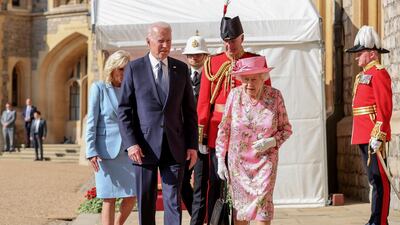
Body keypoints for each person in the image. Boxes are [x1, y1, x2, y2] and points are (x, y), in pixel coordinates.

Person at [117, 22, 198, 225]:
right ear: (148, 41)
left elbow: (189, 112)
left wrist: (192, 145)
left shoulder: (180, 69)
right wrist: (131, 143)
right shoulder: (134, 69)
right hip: (142, 148)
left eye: (168, 41)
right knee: (146, 201)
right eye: (160, 41)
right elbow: (124, 110)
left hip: (175, 146)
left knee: (173, 201)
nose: (165, 45)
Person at [196, 14, 271, 222]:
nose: (229, 46)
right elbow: (204, 102)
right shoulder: (212, 63)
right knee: (216, 184)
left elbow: (267, 100)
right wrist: (202, 135)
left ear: (242, 38)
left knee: (245, 186)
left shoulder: (255, 61)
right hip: (218, 133)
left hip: (248, 136)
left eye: (233, 41)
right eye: (226, 42)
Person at [215, 56, 292, 225]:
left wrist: (272, 141)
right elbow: (224, 128)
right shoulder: (234, 96)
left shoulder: (275, 96)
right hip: (238, 164)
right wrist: (220, 159)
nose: (250, 83)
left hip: (265, 162)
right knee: (241, 213)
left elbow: (286, 129)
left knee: (262, 211)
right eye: (246, 79)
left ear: (263, 79)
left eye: (254, 79)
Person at [346, 25, 392, 225]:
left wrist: (379, 133)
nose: (356, 57)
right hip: (363, 133)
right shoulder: (363, 74)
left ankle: (379, 221)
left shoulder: (379, 73)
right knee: (373, 179)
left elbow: (385, 106)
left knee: (379, 179)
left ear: (372, 54)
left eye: (360, 53)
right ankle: (375, 218)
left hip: (373, 133)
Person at [86, 50, 136, 225]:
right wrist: (91, 150)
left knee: (132, 195)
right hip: (105, 152)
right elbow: (91, 121)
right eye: (121, 69)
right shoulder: (99, 88)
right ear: (112, 69)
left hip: (128, 151)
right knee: (109, 198)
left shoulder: (131, 90)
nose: (124, 73)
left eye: (127, 69)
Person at [181, 34, 209, 225]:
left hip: (202, 139)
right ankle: (198, 216)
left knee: (199, 184)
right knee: (181, 183)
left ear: (205, 56)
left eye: (198, 54)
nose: (195, 58)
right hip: (182, 139)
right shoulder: (179, 75)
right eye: (191, 55)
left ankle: (197, 222)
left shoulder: (211, 77)